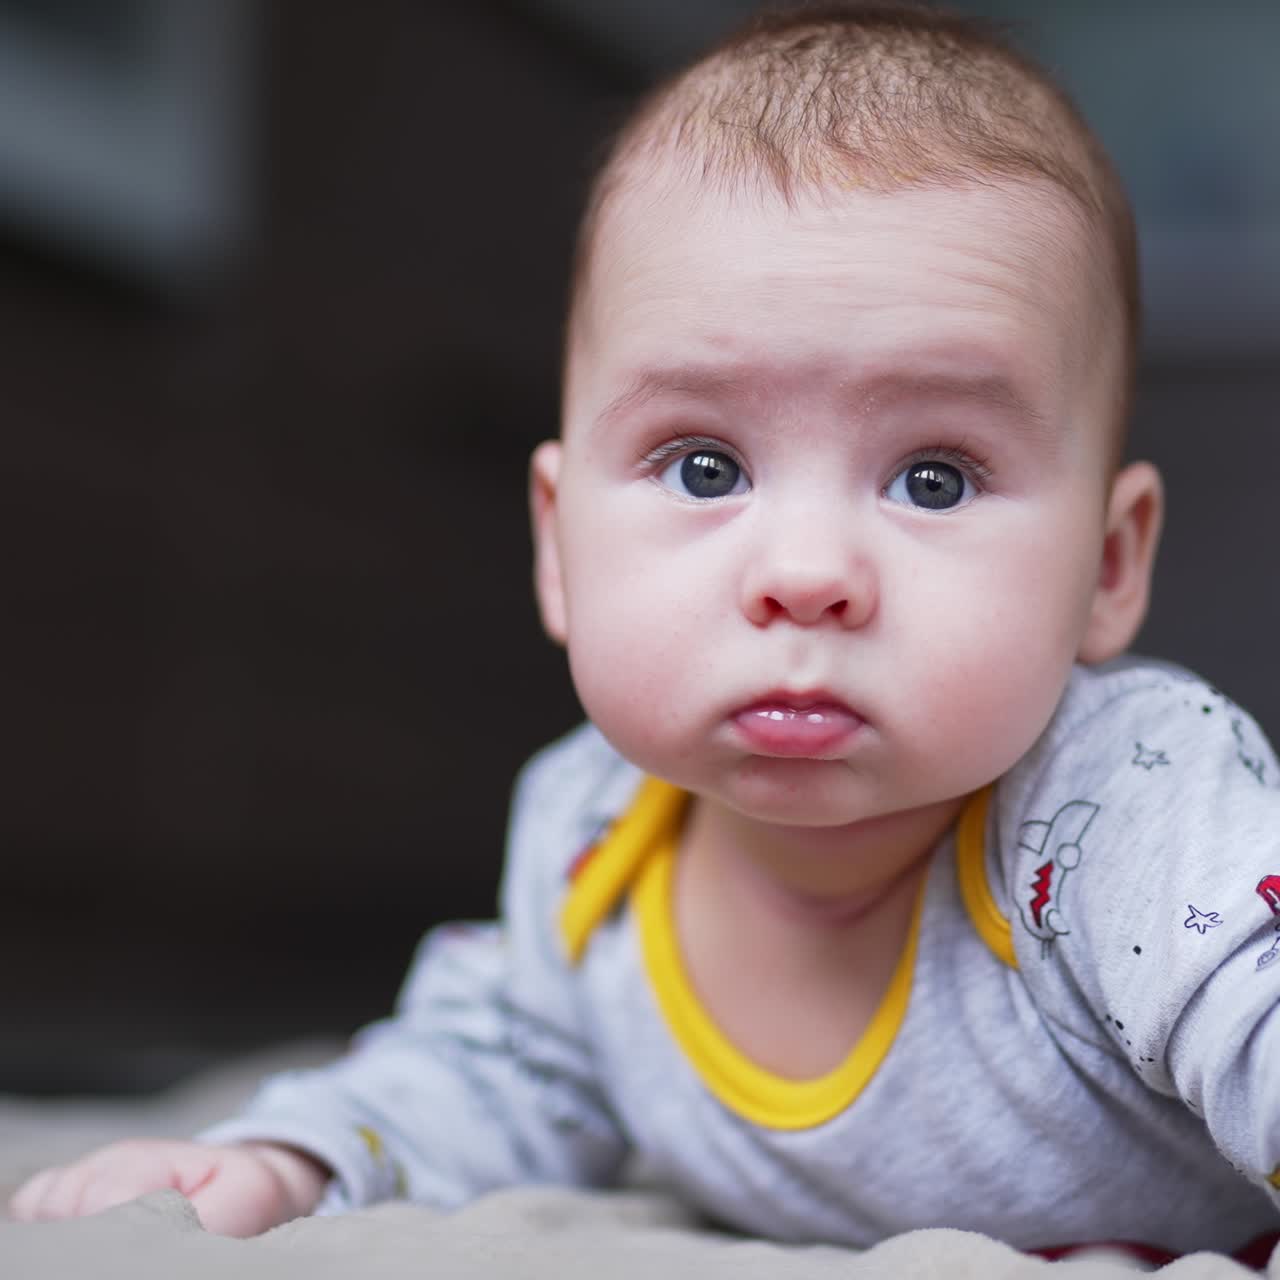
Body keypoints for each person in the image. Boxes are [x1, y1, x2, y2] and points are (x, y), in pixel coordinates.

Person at [12, 0, 1280, 1259]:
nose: (805, 574)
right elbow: (490, 1073)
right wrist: (292, 1159)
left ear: (1105, 567)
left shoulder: (1122, 802)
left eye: (933, 478)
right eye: (703, 465)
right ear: (557, 544)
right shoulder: (590, 833)